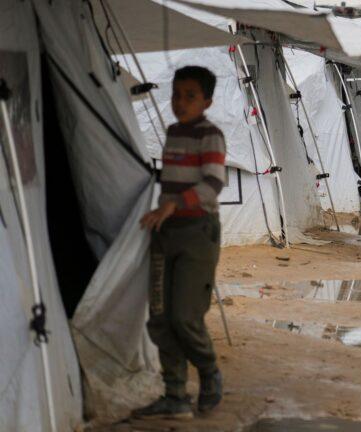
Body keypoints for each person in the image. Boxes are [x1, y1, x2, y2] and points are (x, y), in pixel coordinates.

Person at [133, 66, 226, 419]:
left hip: (197, 233)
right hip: (165, 234)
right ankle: (174, 394)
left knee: (185, 317)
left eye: (190, 96)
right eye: (176, 95)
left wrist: (172, 204)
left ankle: (209, 371)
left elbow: (213, 185)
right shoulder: (173, 132)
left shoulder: (210, 135)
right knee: (159, 318)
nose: (180, 103)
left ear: (207, 101)